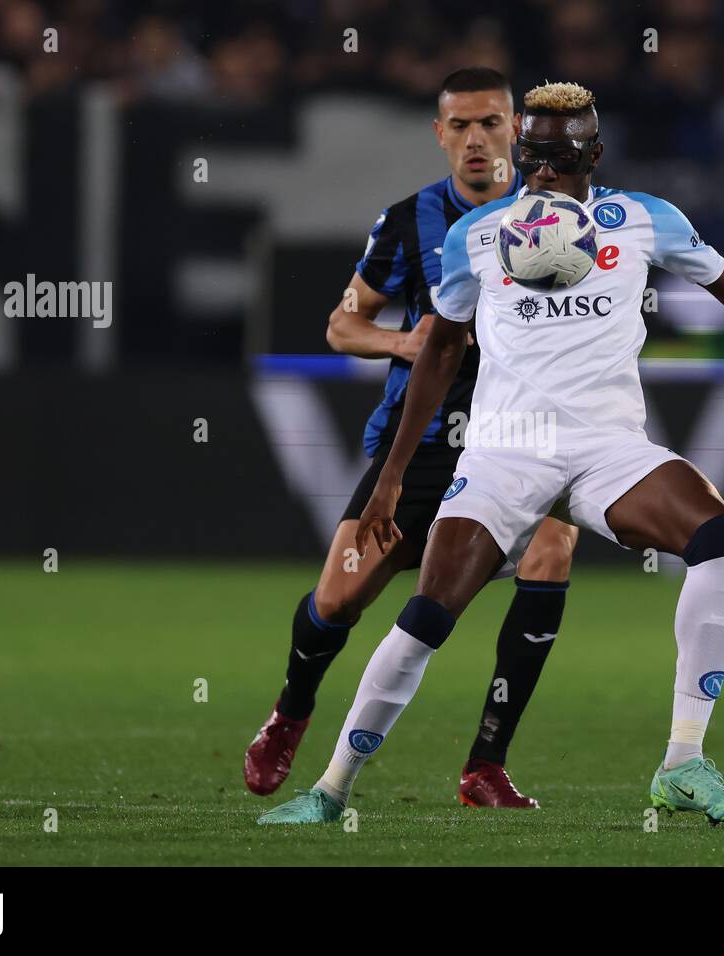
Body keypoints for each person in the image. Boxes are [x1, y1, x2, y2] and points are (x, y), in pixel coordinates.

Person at [258, 80, 724, 828]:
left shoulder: (646, 220)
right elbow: (441, 346)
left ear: (593, 153)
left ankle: (682, 764)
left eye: (559, 158)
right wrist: (392, 475)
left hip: (606, 447)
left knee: (720, 535)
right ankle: (331, 789)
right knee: (429, 615)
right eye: (531, 157)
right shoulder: (478, 237)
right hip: (505, 451)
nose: (543, 175)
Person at [244, 68, 579, 810]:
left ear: (516, 132)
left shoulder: (555, 220)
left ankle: (485, 763)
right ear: (439, 135)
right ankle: (292, 711)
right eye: (459, 126)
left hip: (516, 441)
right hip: (421, 444)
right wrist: (406, 346)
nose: (476, 140)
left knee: (554, 547)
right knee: (337, 600)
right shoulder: (409, 222)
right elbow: (342, 324)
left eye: (491, 123)